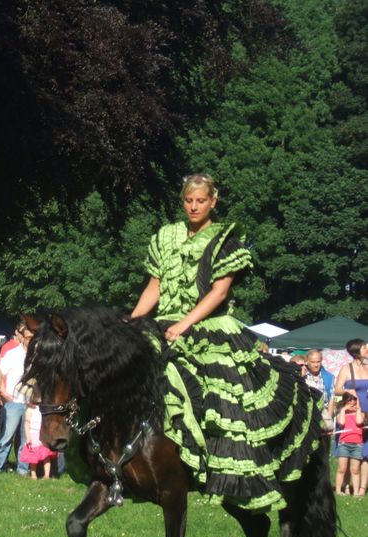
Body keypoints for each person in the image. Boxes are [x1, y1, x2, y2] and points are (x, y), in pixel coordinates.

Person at [130, 172, 317, 511]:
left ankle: (222, 464)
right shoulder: (167, 236)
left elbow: (220, 291)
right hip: (163, 325)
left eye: (200, 200)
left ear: (213, 201)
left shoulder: (224, 239)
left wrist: (185, 324)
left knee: (226, 396)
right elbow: (154, 287)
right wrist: (131, 323)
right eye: (188, 200)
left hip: (210, 326)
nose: (194, 206)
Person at [0, 324, 32, 472]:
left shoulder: (37, 356)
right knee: (6, 437)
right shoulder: (12, 354)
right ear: (21, 337)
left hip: (31, 403)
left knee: (27, 439)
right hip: (13, 402)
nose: (30, 340)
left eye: (33, 337)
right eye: (28, 337)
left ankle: (23, 469)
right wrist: (3, 392)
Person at [332, 338, 368, 490]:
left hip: (366, 412)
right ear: (357, 351)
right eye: (365, 347)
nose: (367, 349)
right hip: (351, 414)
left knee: (366, 452)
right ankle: (346, 485)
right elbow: (337, 389)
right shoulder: (347, 369)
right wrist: (348, 390)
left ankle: (362, 488)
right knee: (348, 450)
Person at [334, 392, 364, 495]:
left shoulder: (361, 413)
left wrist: (358, 409)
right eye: (349, 400)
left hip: (357, 445)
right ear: (345, 401)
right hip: (344, 444)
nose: (352, 402)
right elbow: (341, 422)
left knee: (355, 470)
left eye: (354, 399)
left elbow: (359, 421)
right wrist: (343, 410)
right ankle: (338, 490)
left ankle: (355, 492)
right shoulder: (341, 413)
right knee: (342, 468)